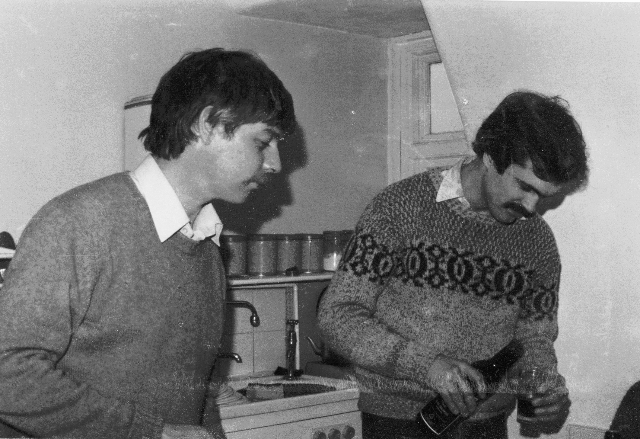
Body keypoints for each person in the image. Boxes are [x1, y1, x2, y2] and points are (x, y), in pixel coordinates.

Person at [0, 48, 296, 439]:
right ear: (207, 125)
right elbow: (7, 373)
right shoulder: (79, 223)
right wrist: (150, 432)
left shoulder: (207, 245)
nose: (275, 163)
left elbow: (200, 393)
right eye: (262, 142)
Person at [318, 90, 588, 439]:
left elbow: (533, 337)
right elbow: (337, 315)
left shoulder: (538, 242)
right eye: (524, 186)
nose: (531, 207)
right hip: (398, 423)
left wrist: (542, 385)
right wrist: (427, 366)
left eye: (543, 195)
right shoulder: (400, 207)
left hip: (488, 428)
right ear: (490, 156)